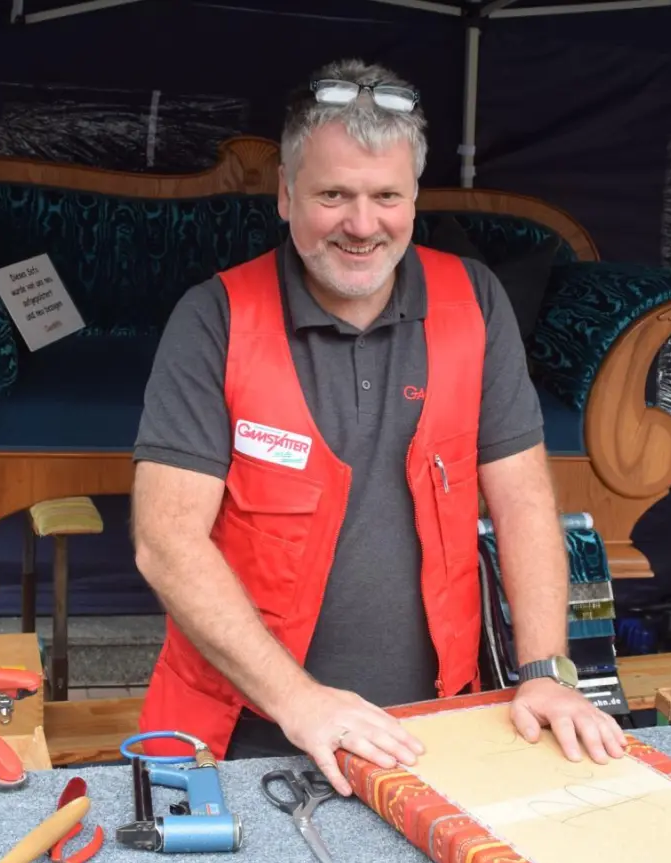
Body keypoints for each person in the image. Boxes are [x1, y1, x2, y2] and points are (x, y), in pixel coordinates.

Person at [127, 58, 626, 795]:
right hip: (243, 734)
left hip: (431, 730)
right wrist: (299, 702)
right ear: (286, 196)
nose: (362, 225)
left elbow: (521, 500)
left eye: (385, 196)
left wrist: (545, 673)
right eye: (333, 195)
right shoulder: (215, 318)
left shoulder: (474, 300)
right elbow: (165, 543)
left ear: (413, 197)